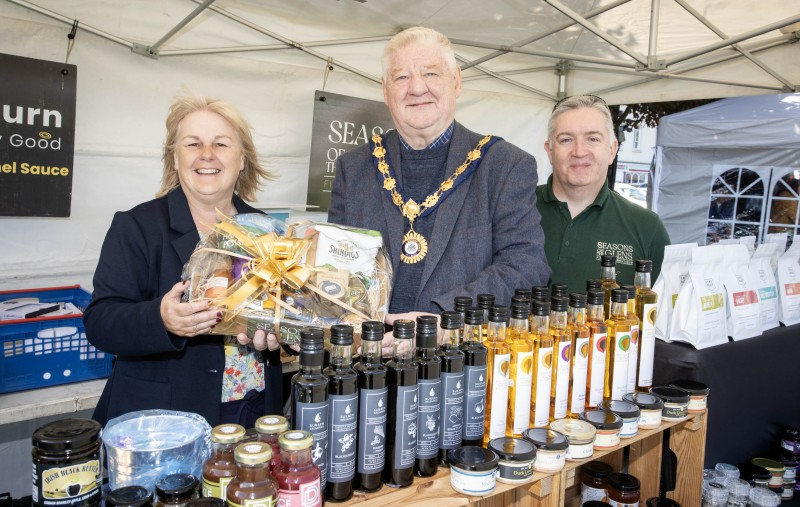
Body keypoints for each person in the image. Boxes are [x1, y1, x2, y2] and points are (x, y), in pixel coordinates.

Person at [327, 26, 550, 353]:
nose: (417, 88)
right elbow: (334, 267)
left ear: (457, 81)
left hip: (456, 367)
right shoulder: (354, 168)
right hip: (365, 364)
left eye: (431, 73)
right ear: (385, 89)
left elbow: (526, 266)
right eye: (401, 77)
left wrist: (441, 320)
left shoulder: (503, 165)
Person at [84, 95, 284, 428]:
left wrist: (282, 335)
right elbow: (100, 321)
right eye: (193, 144)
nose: (207, 155)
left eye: (221, 144)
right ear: (175, 159)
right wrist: (161, 319)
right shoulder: (137, 226)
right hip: (166, 417)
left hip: (256, 411)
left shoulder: (267, 230)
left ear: (243, 159)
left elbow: (286, 310)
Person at [536, 94, 671, 292]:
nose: (579, 151)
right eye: (566, 139)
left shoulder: (647, 228)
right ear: (550, 151)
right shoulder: (513, 211)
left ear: (612, 150)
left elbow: (664, 313)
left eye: (592, 139)